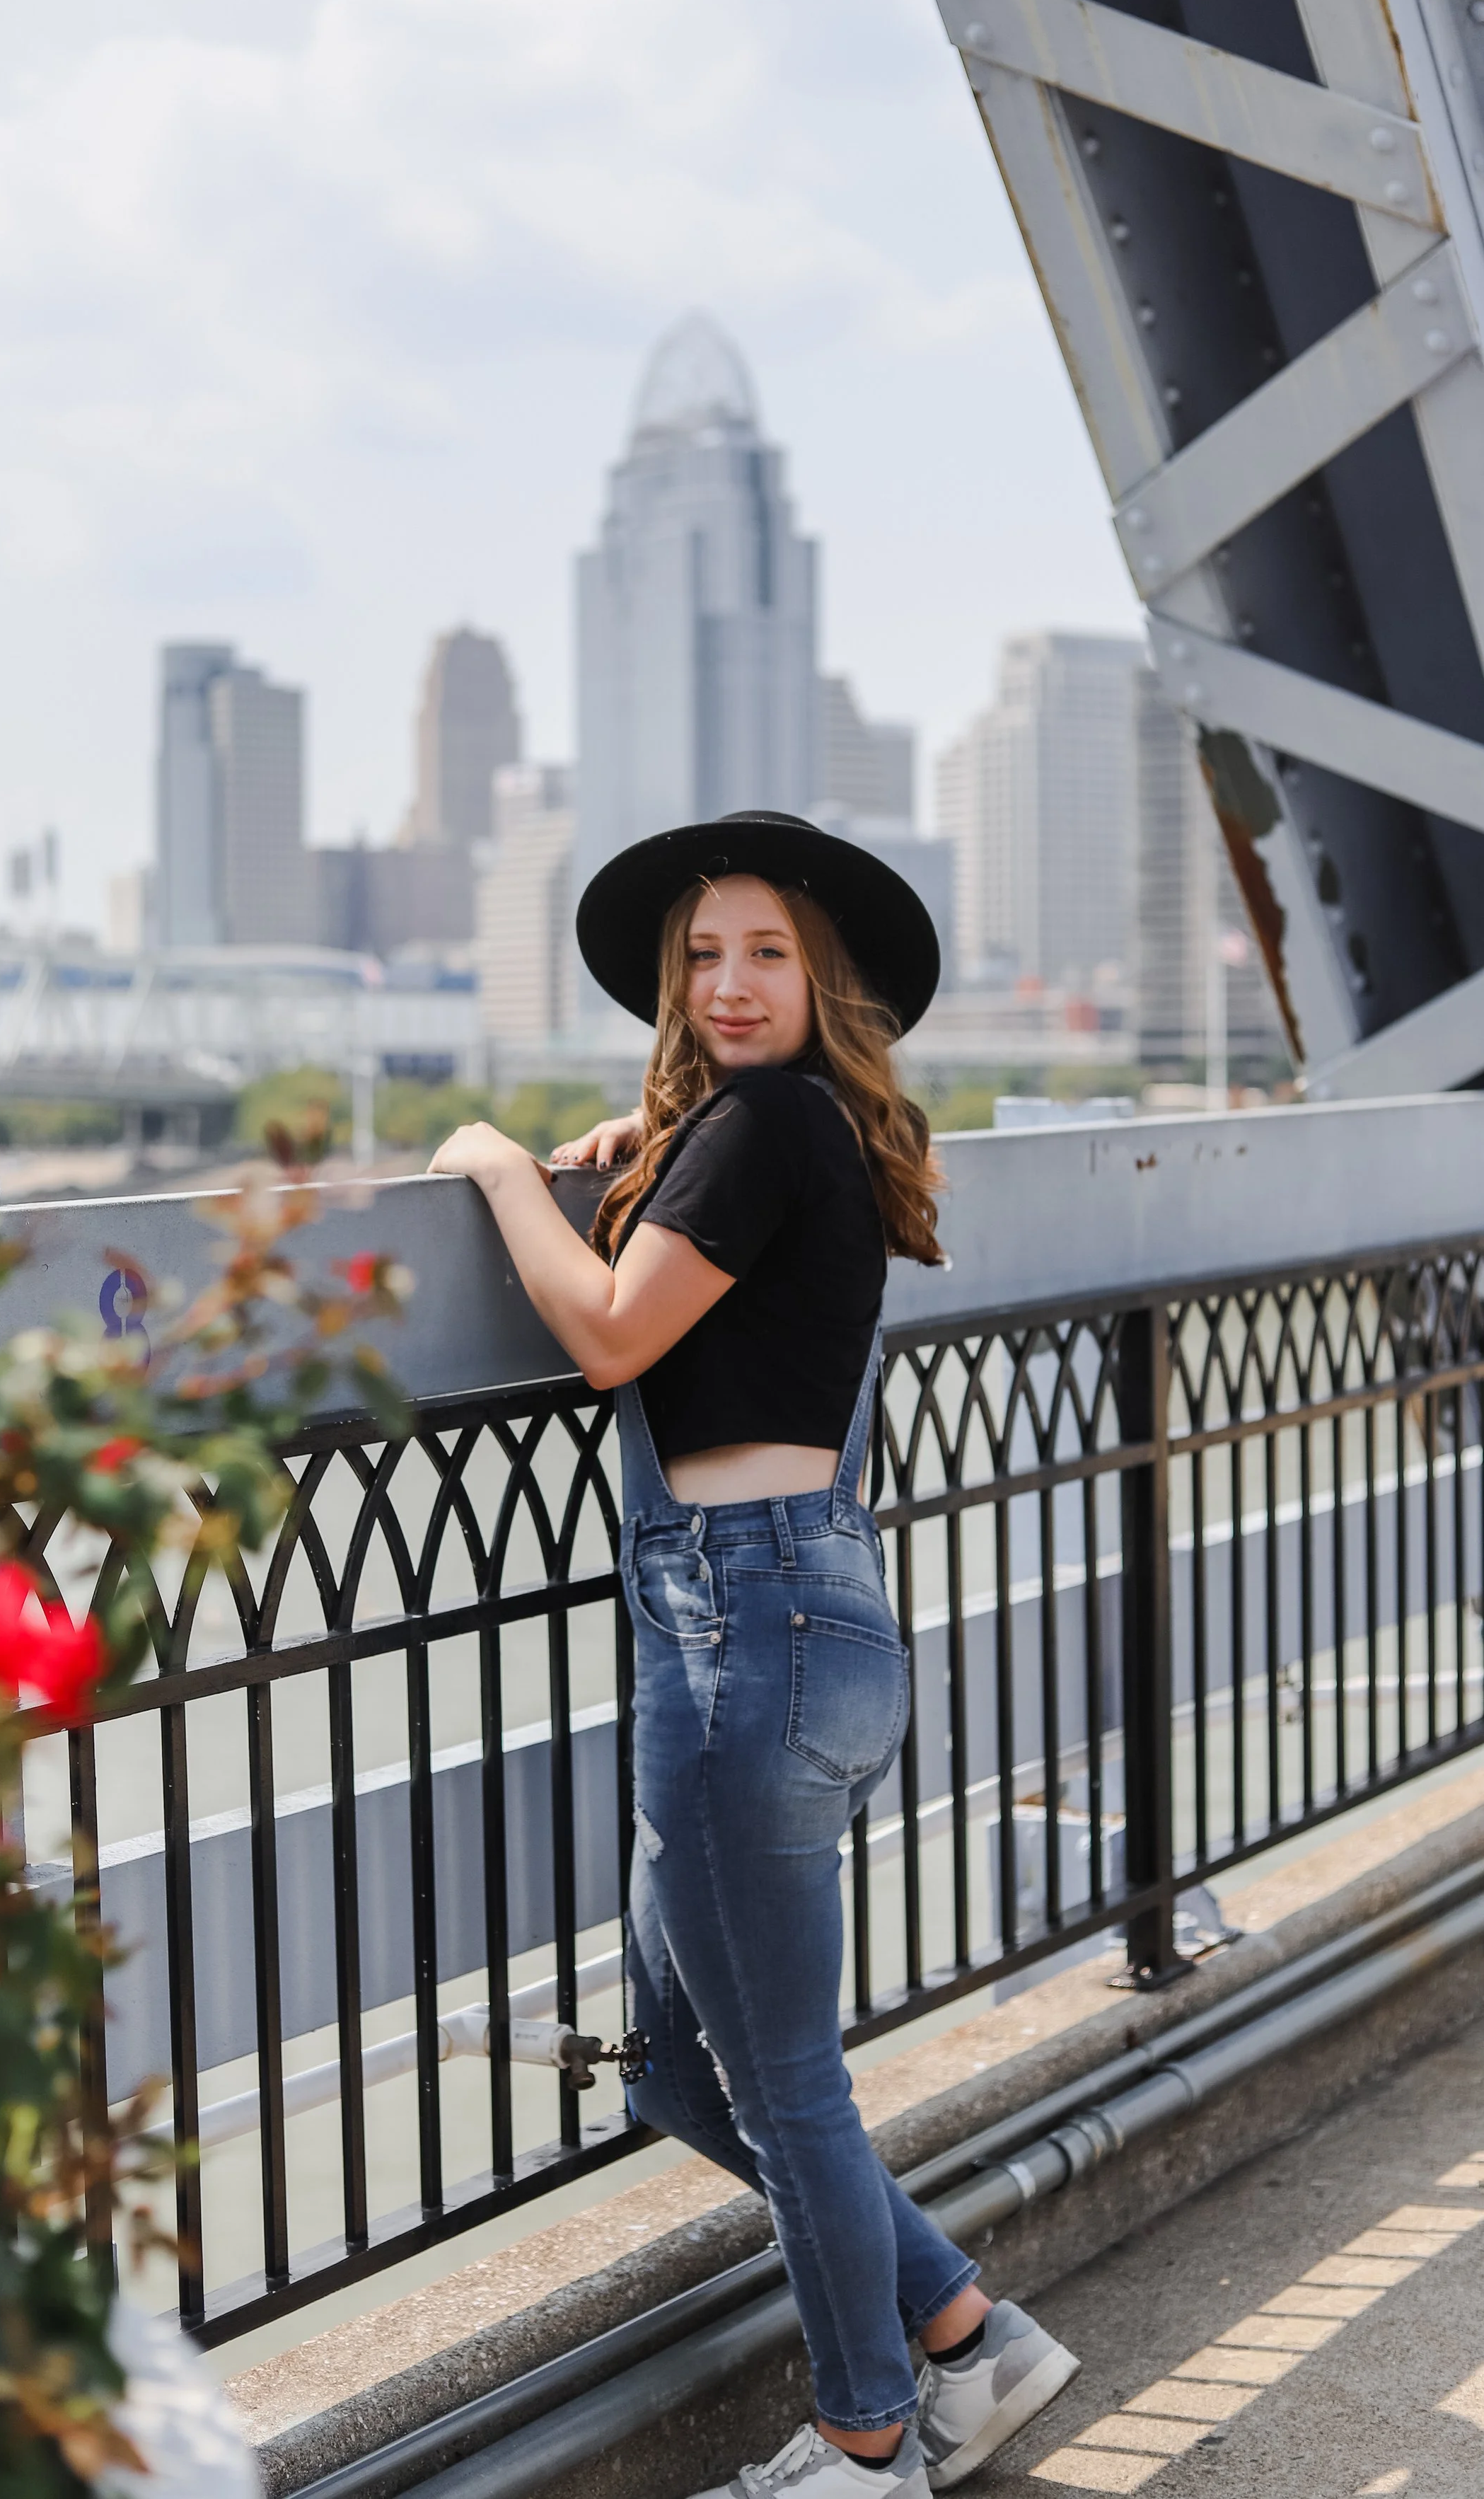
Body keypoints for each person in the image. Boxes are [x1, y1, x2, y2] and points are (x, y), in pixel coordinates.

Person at [428, 811, 1078, 2494]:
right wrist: (644, 1157)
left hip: (740, 1630)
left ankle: (862, 2443)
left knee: (784, 2083)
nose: (725, 981)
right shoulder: (785, 1132)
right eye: (701, 955)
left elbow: (610, 1336)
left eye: (765, 952)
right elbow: (715, 1287)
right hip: (797, 1622)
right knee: (666, 2062)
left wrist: (501, 1167)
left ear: (823, 979)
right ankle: (962, 2335)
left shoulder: (764, 1122)